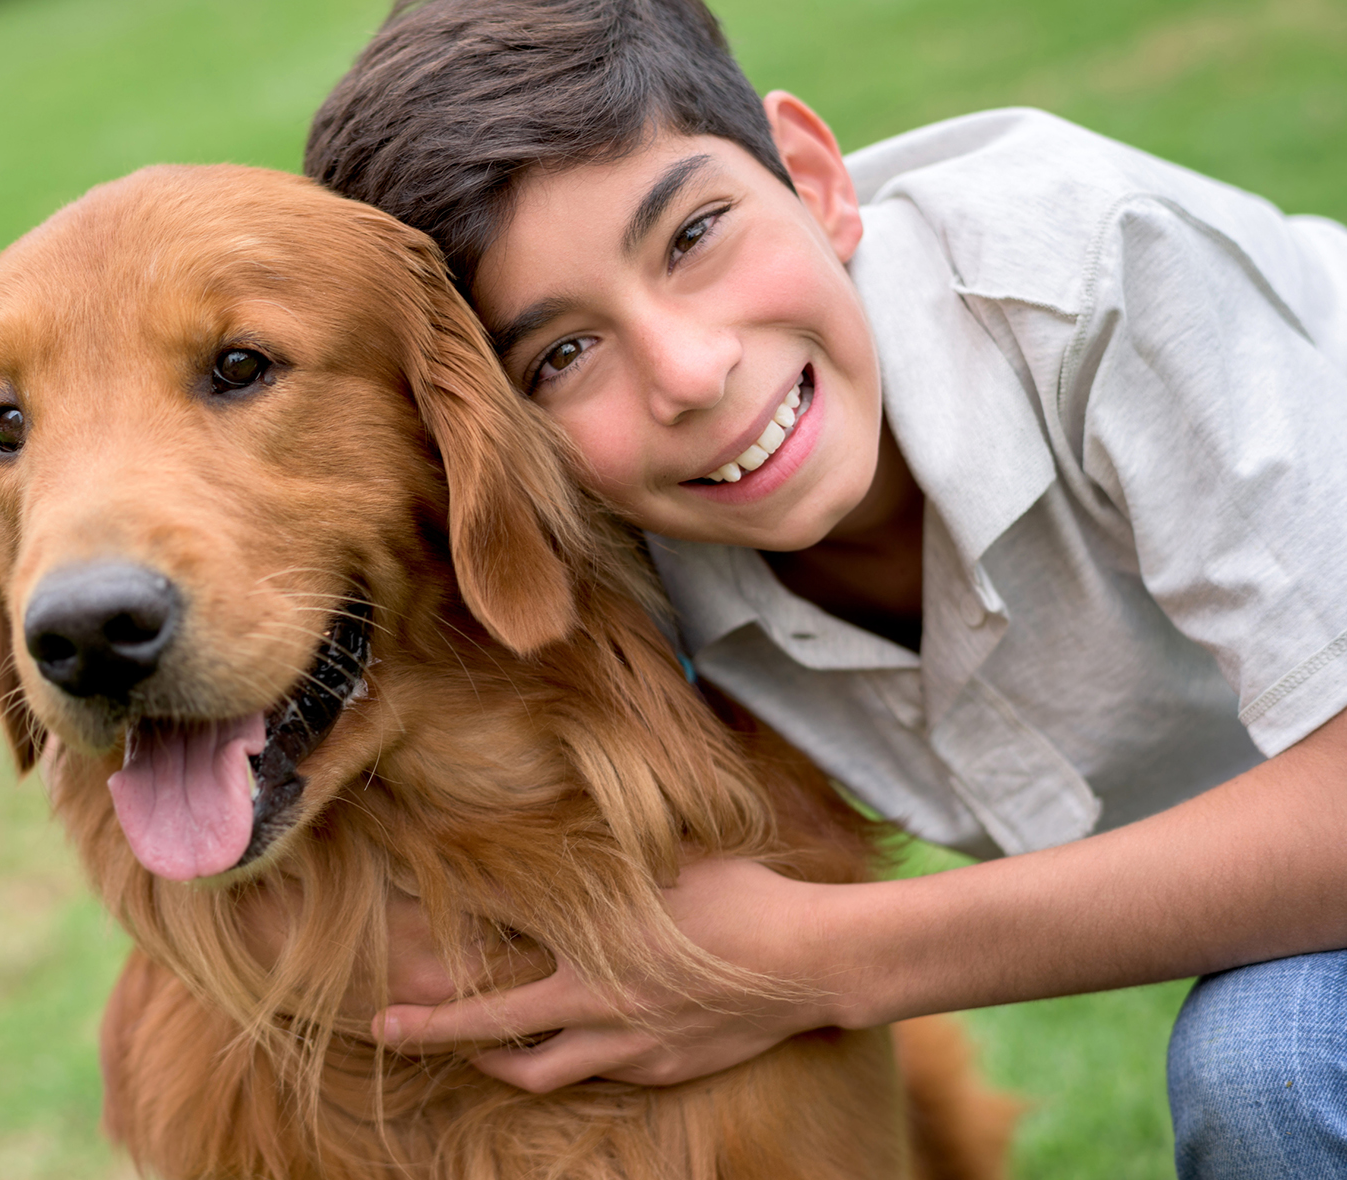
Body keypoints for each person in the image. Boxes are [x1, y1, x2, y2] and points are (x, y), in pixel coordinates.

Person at [302, 1, 1347, 1174]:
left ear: (812, 176)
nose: (691, 374)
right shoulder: (599, 548)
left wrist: (819, 957)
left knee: (1278, 1059)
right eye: (563, 354)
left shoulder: (1091, 268)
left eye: (693, 234)